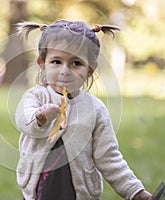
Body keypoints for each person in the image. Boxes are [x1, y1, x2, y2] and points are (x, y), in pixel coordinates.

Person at [14, 20, 152, 200]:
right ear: (42, 63)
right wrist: (39, 117)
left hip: (77, 192)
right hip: (40, 188)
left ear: (89, 70)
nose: (65, 71)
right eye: (56, 61)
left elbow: (109, 157)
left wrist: (134, 191)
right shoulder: (36, 97)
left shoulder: (95, 109)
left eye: (76, 63)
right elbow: (24, 119)